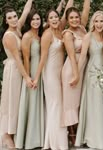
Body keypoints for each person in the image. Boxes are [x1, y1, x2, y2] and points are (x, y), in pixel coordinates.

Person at [36, 0, 73, 149]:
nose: (54, 20)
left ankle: (54, 140)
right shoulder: (47, 34)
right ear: (47, 20)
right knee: (55, 105)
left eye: (56, 17)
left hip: (60, 73)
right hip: (50, 74)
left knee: (58, 105)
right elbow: (43, 58)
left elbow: (67, 12)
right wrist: (36, 78)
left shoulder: (60, 30)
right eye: (51, 18)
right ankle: (56, 143)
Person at [0, 0, 33, 148]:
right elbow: (18, 59)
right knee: (12, 102)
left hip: (19, 70)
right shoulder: (8, 36)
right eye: (10, 18)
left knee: (19, 101)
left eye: (15, 16)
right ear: (5, 21)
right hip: (14, 70)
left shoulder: (17, 28)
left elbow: (26, 12)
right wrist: (26, 77)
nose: (14, 19)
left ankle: (16, 133)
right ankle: (7, 136)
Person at [75, 11, 103, 149]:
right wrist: (76, 73)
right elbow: (82, 56)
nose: (99, 24)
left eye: (101, 21)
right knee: (93, 104)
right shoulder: (88, 36)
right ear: (92, 23)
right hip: (92, 73)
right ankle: (92, 138)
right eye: (96, 21)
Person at [14, 9, 45, 149]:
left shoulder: (40, 35)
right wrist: (28, 78)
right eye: (33, 20)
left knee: (39, 103)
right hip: (32, 71)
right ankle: (30, 139)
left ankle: (39, 137)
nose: (36, 22)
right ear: (29, 21)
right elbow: (26, 58)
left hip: (41, 71)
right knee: (31, 102)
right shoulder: (27, 36)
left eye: (38, 19)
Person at [61, 0, 90, 145]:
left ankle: (79, 131)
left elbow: (86, 9)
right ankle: (72, 134)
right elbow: (71, 56)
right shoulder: (67, 33)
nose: (74, 20)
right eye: (71, 18)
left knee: (78, 101)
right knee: (70, 102)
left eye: (76, 17)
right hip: (72, 69)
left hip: (83, 67)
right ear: (67, 20)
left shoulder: (83, 29)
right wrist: (76, 74)